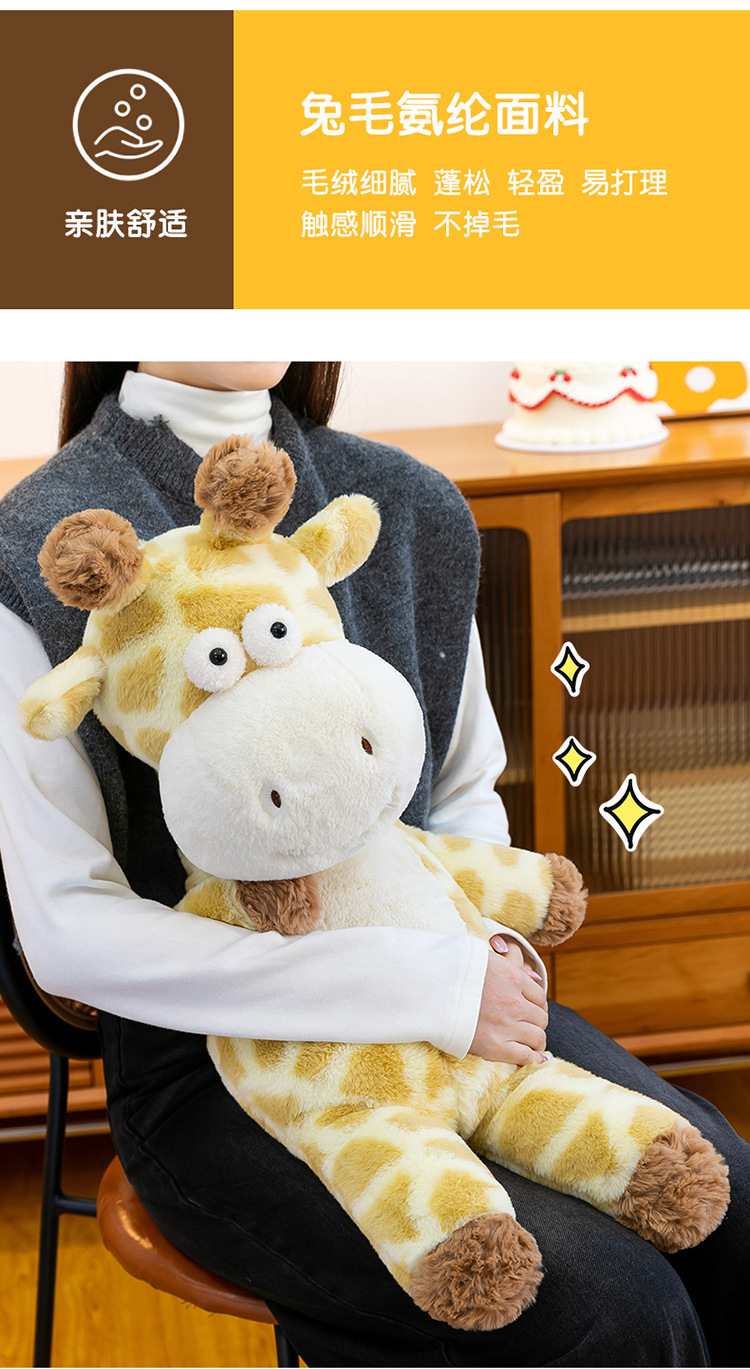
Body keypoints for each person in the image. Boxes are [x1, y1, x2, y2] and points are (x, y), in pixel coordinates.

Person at [0, 361, 747, 1368]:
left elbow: (464, 789)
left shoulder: (405, 503)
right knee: (609, 1305)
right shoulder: (33, 548)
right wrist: (416, 982)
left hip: (458, 997)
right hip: (222, 1069)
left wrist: (483, 951)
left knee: (730, 1203)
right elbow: (67, 930)